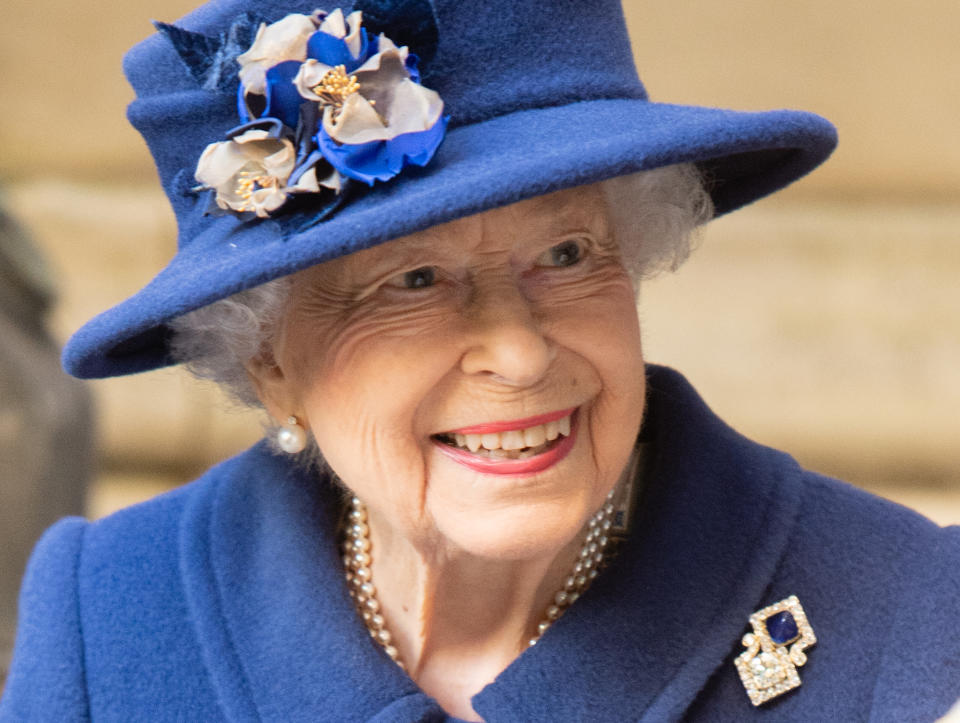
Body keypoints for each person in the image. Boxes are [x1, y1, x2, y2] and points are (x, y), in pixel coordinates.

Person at [2, 0, 958, 720]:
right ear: (268, 362)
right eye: (413, 279)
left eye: (568, 254)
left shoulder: (907, 616)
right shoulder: (111, 609)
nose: (517, 347)